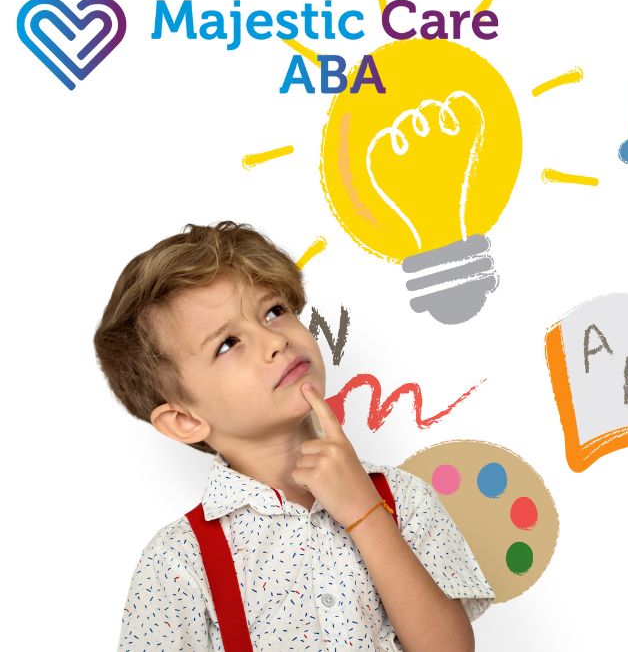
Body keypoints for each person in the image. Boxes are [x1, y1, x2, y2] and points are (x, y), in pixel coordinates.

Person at [96, 221, 492, 650]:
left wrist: (365, 511)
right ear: (185, 421)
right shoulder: (178, 560)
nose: (273, 341)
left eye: (274, 311)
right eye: (228, 343)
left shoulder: (402, 498)